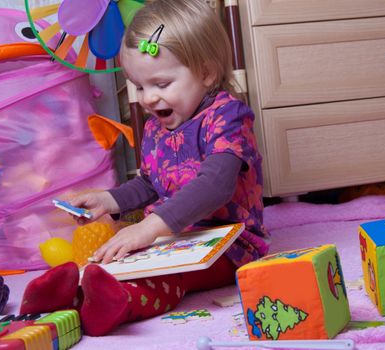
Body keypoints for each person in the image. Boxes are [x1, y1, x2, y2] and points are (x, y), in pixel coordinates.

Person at [20, 0, 270, 336]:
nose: (148, 99)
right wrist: (109, 200)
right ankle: (67, 301)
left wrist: (150, 227)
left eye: (161, 84)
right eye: (140, 87)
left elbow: (215, 185)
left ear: (207, 73)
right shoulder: (155, 127)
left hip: (229, 245)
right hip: (172, 237)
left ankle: (119, 305)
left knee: (165, 274)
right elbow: (153, 183)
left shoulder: (228, 117)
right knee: (114, 260)